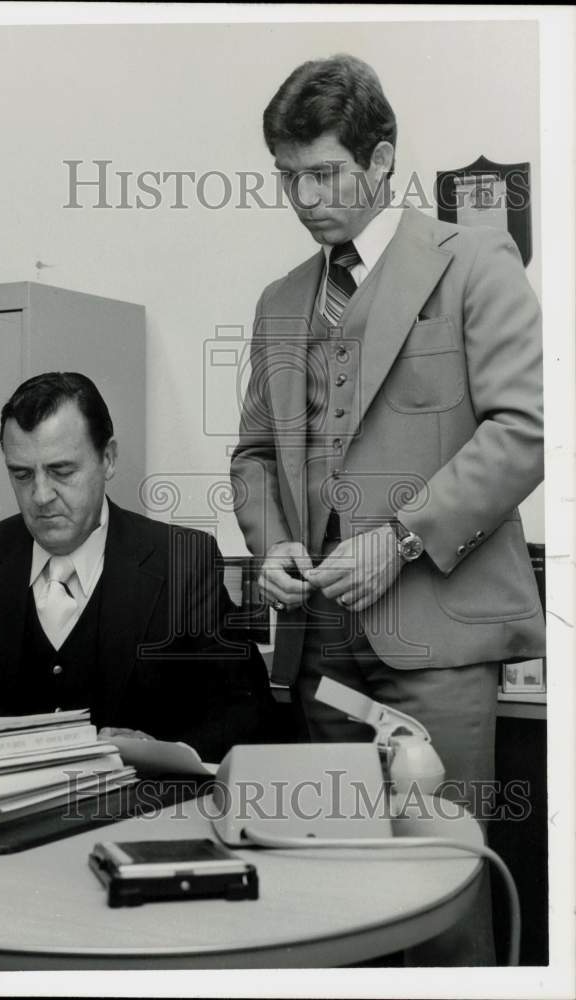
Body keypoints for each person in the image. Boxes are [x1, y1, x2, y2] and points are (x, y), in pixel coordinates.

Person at [230, 54, 544, 964]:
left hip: (436, 645)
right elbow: (252, 455)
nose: (304, 197)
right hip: (318, 650)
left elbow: (526, 430)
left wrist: (400, 540)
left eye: (323, 172)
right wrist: (272, 544)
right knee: (340, 908)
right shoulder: (279, 304)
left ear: (382, 158)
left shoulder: (476, 260)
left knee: (444, 907)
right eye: (287, 177)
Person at [0, 372, 276, 762]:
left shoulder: (184, 560)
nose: (41, 496)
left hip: (132, 816)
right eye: (22, 475)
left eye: (62, 471)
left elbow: (245, 712)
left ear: (109, 459)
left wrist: (159, 747)